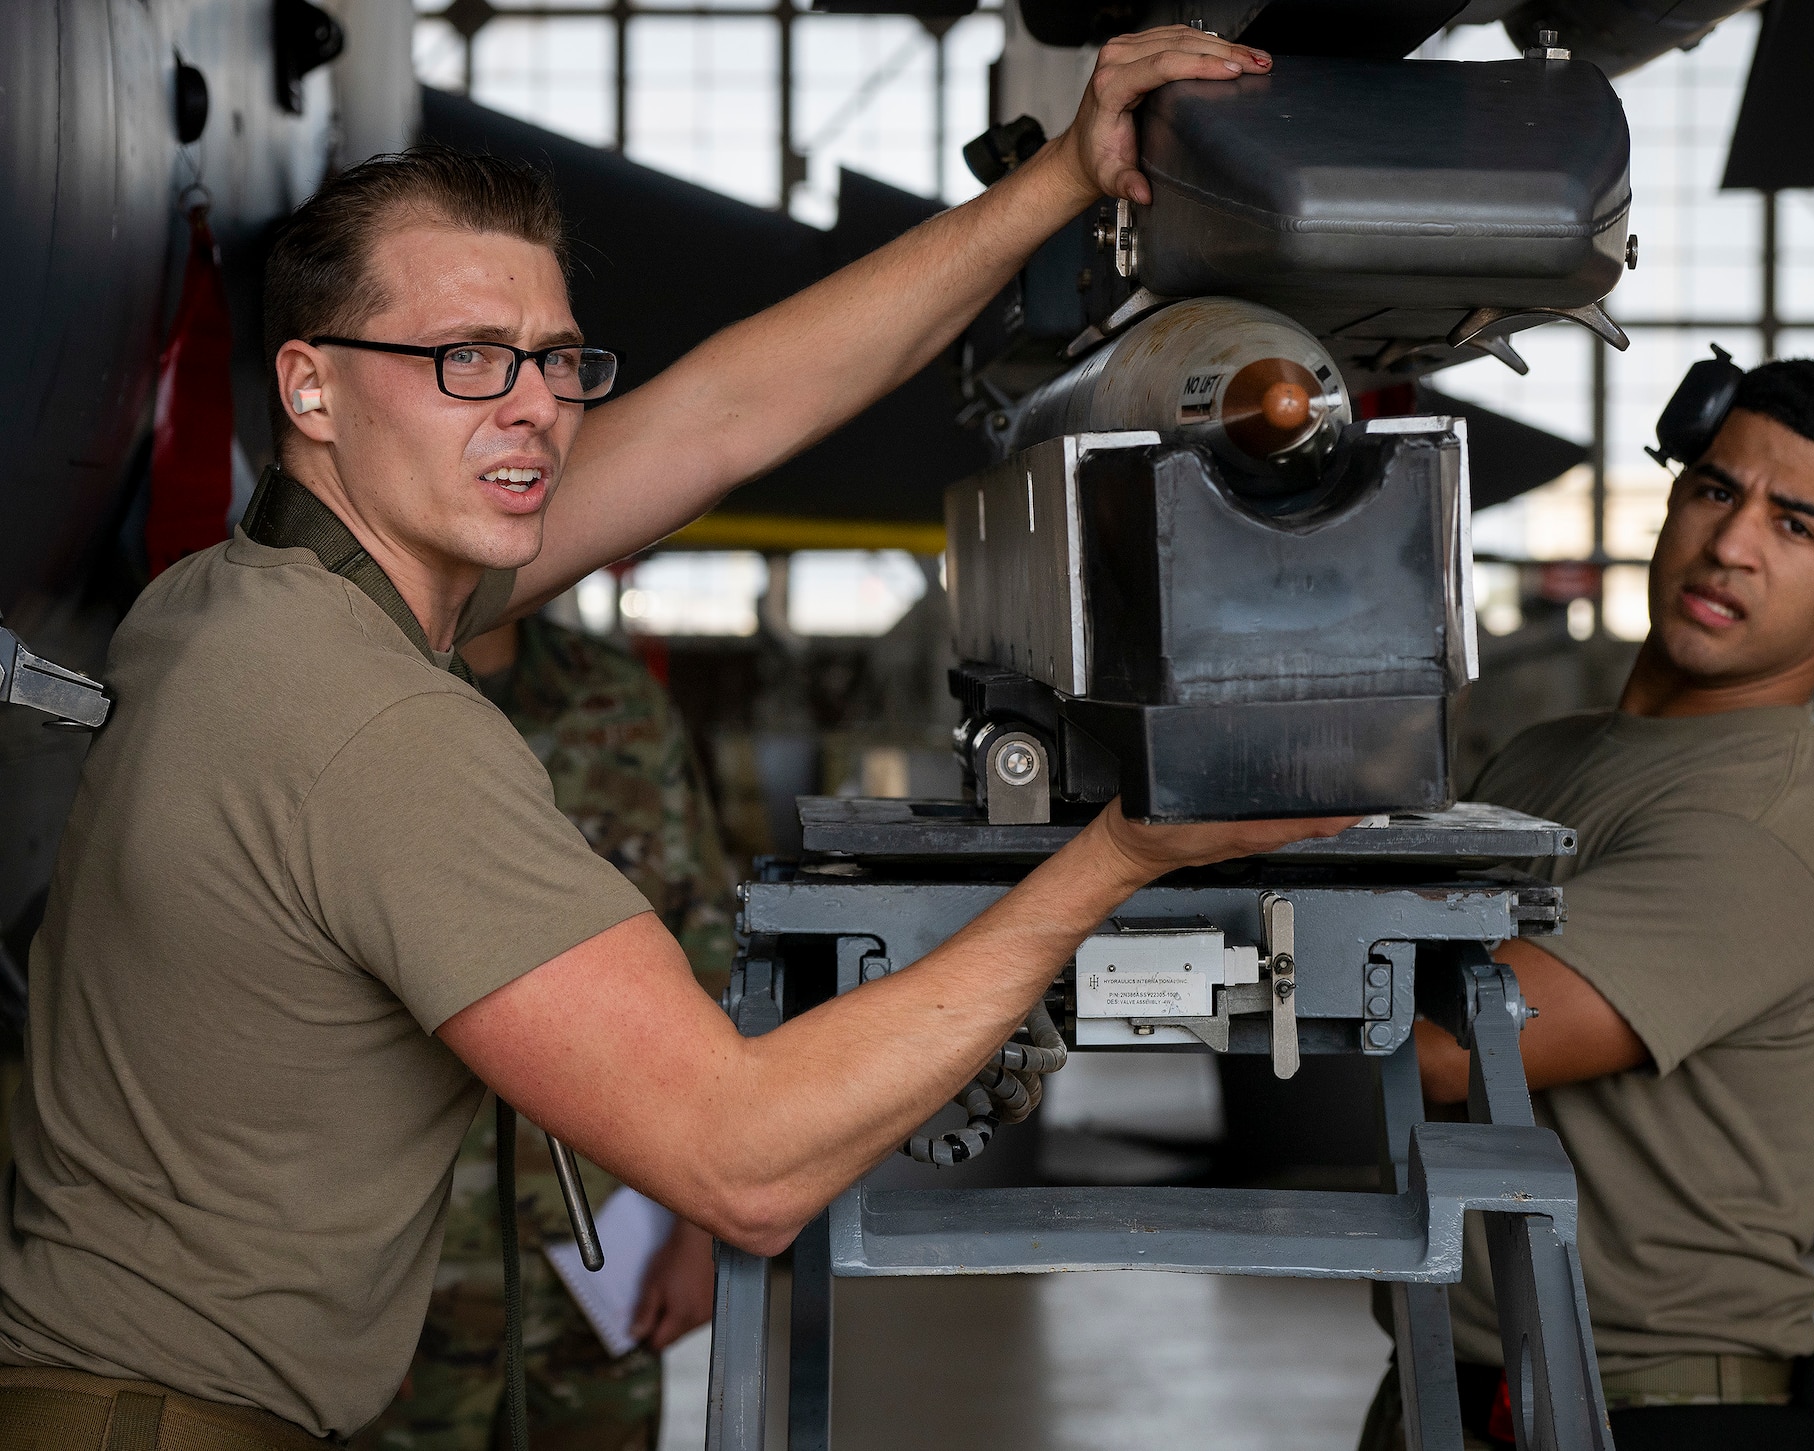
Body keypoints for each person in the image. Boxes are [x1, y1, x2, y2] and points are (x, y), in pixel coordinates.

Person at [0, 28, 1349, 1450]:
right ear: (310, 388)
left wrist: (1059, 178)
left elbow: (723, 413)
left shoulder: (234, 598)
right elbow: (743, 1157)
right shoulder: (372, 717)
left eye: (552, 358)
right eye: (465, 358)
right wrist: (1116, 856)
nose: (533, 405)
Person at [1357, 358, 1814, 1447]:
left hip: (1650, 1407)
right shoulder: (1548, 757)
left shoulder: (1774, 820)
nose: (1731, 544)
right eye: (1716, 490)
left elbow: (1445, 1047)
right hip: (1458, 1387)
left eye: (1796, 524)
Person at [354, 614, 734, 1451]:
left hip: (601, 1247)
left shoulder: (619, 702)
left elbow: (706, 955)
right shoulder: (349, 681)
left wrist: (701, 1229)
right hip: (396, 1263)